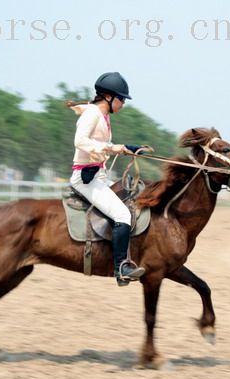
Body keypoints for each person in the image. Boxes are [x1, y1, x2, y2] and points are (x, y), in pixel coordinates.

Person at [67, 72, 146, 286]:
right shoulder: (92, 114)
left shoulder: (103, 116)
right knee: (121, 214)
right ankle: (121, 268)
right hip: (86, 179)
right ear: (109, 97)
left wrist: (126, 149)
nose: (123, 103)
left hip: (99, 177)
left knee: (131, 200)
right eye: (122, 99)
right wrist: (114, 148)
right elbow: (79, 141)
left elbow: (102, 146)